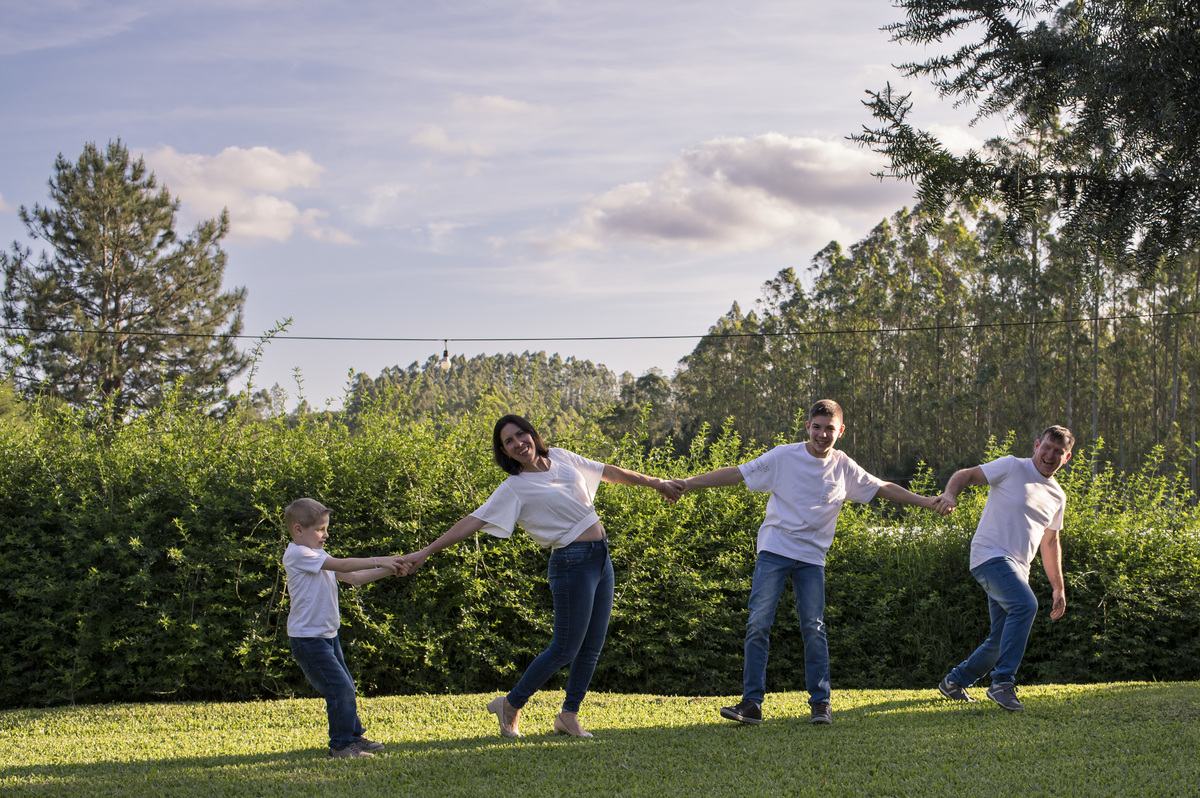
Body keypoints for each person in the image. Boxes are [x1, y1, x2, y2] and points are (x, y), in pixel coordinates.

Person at [400, 413, 680, 739]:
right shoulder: (513, 488)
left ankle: (568, 715)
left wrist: (656, 483)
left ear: (533, 434)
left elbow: (609, 472)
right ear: (504, 451)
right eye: (509, 441)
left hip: (601, 558)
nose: (519, 443)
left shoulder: (560, 456)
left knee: (591, 646)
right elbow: (472, 522)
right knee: (564, 648)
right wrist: (424, 553)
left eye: (522, 435)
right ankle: (511, 704)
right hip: (571, 564)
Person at [671, 399, 944, 726]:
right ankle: (751, 705)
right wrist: (687, 484)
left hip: (812, 558)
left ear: (840, 431)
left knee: (813, 627)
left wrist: (926, 501)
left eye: (830, 428)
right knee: (759, 622)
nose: (822, 434)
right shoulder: (784, 456)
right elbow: (738, 474)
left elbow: (882, 488)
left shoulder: (844, 466)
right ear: (807, 427)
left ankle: (821, 704)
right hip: (774, 549)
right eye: (817, 427)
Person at [934, 425, 1073, 711]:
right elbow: (966, 475)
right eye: (1047, 447)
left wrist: (1058, 586)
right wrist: (950, 494)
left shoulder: (1058, 496)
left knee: (999, 639)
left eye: (1058, 452)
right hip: (989, 555)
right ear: (1036, 445)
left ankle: (955, 681)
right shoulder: (1011, 466)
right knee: (1026, 605)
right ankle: (1002, 684)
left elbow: (1050, 543)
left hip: (1018, 569)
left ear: (1067, 457)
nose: (1050, 455)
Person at [283, 497, 407, 758]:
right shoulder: (297, 554)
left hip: (327, 635)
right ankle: (340, 746)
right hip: (308, 639)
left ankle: (352, 737)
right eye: (320, 529)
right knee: (338, 688)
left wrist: (390, 569)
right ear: (298, 530)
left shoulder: (317, 554)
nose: (326, 535)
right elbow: (342, 565)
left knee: (346, 685)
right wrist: (381, 559)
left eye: (326, 528)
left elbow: (353, 578)